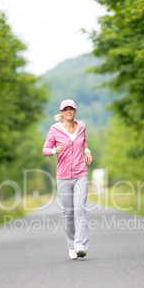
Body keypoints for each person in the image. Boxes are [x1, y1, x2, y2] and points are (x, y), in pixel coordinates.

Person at [43, 99, 93, 260]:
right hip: (63, 176)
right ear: (62, 113)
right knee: (68, 212)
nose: (69, 111)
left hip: (80, 174)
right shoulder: (54, 129)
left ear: (75, 111)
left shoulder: (82, 127)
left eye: (71, 109)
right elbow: (45, 150)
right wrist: (53, 150)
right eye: (65, 109)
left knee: (80, 210)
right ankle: (71, 246)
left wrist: (87, 152)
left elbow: (84, 143)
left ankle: (80, 246)